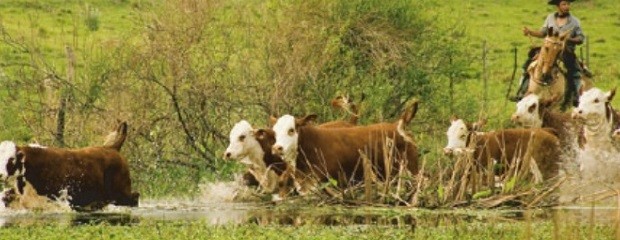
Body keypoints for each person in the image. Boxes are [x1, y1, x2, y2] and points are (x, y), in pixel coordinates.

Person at [510, 0, 585, 106]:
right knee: (528, 65)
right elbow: (543, 33)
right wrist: (530, 32)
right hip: (548, 50)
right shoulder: (550, 18)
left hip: (564, 51)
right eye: (564, 4)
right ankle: (521, 93)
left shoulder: (575, 21)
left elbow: (581, 38)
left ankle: (576, 98)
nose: (567, 6)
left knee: (575, 71)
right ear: (558, 6)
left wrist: (569, 39)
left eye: (568, 4)